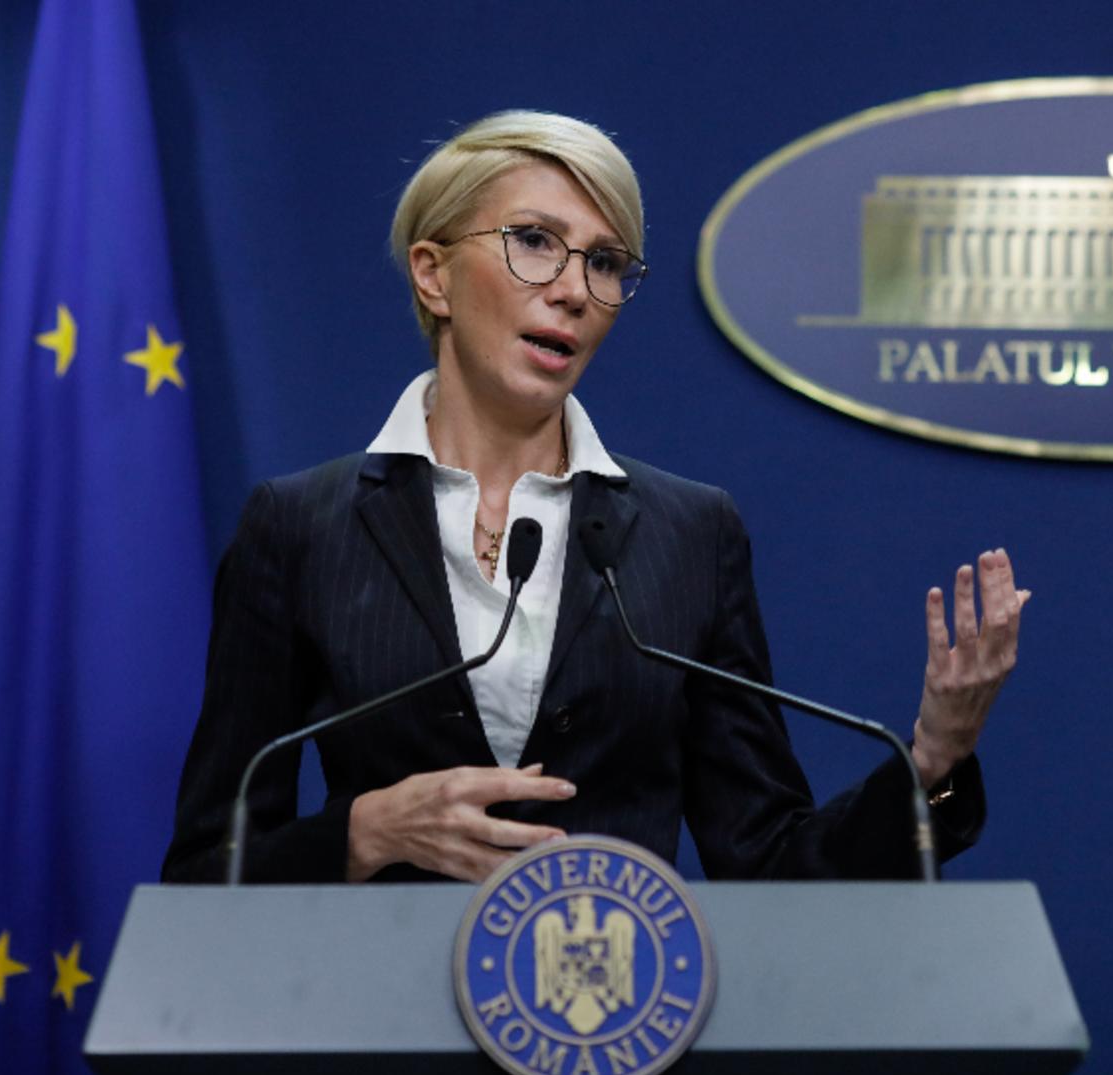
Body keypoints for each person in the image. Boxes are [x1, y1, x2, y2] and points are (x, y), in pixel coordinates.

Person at [161, 111, 1027, 885]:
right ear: (433, 275)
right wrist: (362, 835)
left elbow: (769, 864)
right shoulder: (303, 528)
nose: (575, 289)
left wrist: (932, 758)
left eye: (606, 262)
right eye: (535, 241)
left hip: (620, 1006)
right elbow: (206, 875)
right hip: (382, 1003)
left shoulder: (690, 535)